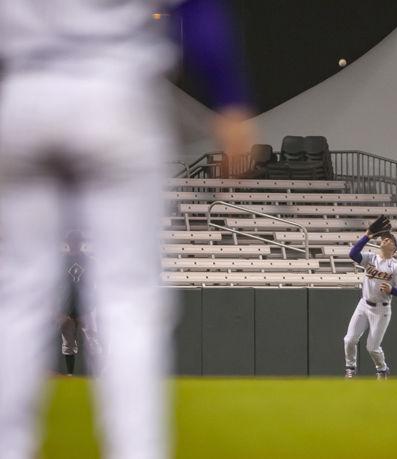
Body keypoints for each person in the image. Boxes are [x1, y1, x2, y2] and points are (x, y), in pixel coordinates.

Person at [0, 2, 253, 458]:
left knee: (18, 297)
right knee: (127, 298)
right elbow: (196, 8)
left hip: (23, 88)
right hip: (115, 89)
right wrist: (228, 96)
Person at [344, 231, 397, 379]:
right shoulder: (370, 257)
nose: (385, 239)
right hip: (364, 304)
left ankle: (382, 369)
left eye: (390, 240)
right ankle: (350, 369)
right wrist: (367, 236)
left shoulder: (395, 267)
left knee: (372, 347)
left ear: (394, 247)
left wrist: (392, 290)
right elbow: (353, 254)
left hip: (381, 309)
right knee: (349, 339)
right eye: (384, 238)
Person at [60, 230, 102, 376]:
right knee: (68, 345)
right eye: (72, 241)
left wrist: (92, 305)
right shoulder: (61, 262)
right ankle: (70, 374)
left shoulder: (90, 261)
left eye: (77, 241)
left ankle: (97, 375)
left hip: (87, 308)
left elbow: (97, 284)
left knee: (93, 341)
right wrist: (59, 310)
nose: (74, 244)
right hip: (67, 308)